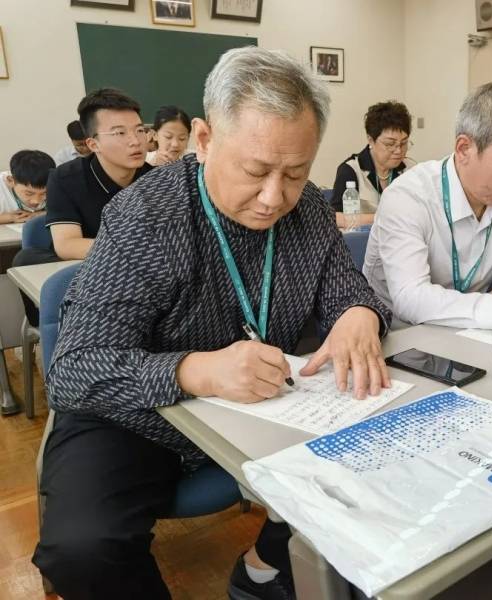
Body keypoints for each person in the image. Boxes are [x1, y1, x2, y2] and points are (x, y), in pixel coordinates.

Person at [31, 47, 392, 600]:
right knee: (83, 549)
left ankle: (264, 567)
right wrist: (195, 372)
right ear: (203, 140)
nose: (274, 198)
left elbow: (349, 290)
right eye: (255, 171)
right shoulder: (145, 216)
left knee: (382, 450)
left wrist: (359, 315)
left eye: (296, 173)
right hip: (136, 419)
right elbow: (75, 369)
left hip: (264, 407)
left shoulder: (310, 211)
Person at [364, 82, 492, 330]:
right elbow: (411, 298)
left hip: (473, 330)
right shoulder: (407, 197)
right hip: (400, 335)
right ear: (464, 149)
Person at [47, 88, 153, 261]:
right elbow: (67, 245)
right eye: (120, 133)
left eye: (140, 130)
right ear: (93, 144)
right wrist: (139, 251)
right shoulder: (64, 179)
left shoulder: (157, 179)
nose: (135, 141)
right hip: (86, 269)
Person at [330, 101, 411, 228]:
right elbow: (336, 218)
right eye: (390, 144)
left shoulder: (411, 169)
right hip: (362, 238)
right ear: (371, 140)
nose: (398, 151)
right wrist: (384, 218)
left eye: (404, 143)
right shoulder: (351, 170)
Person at [0, 150, 54, 224]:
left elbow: (67, 210)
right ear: (11, 181)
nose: (36, 201)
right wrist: (10, 217)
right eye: (29, 193)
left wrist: (37, 215)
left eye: (44, 193)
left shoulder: (56, 182)